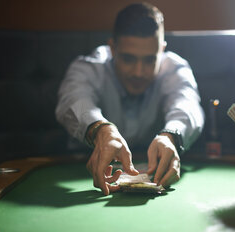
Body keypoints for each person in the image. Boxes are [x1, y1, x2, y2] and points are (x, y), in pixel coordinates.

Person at [55, 3, 205, 195]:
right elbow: (73, 101)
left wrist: (171, 136)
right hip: (79, 172)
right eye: (128, 59)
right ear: (112, 48)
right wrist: (100, 130)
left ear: (162, 49)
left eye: (150, 60)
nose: (139, 72)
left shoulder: (175, 68)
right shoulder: (88, 67)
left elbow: (187, 105)